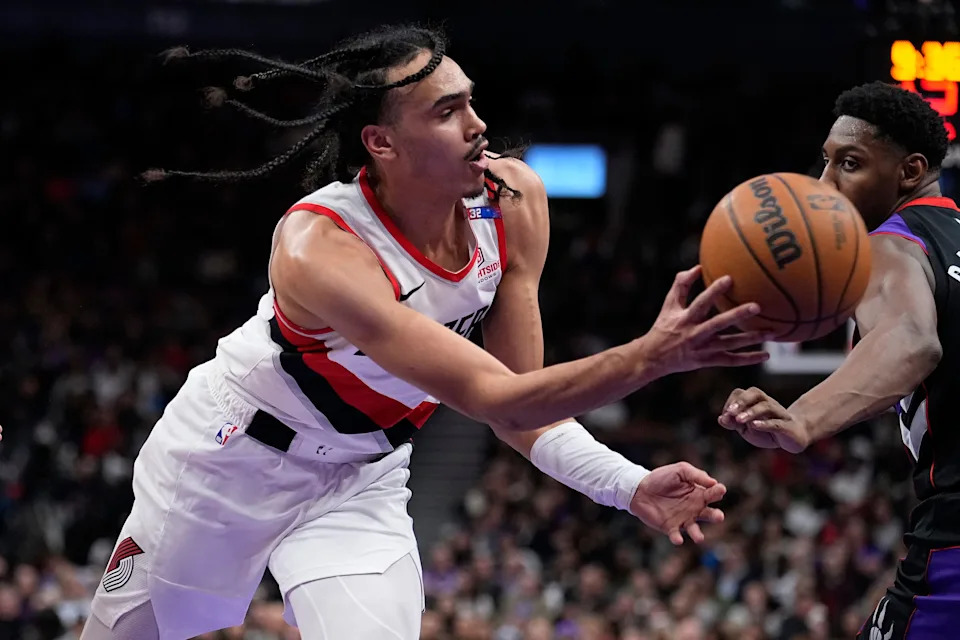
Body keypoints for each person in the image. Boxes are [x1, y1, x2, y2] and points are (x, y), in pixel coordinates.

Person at [82, 25, 770, 640]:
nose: (477, 124)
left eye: (470, 101)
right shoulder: (321, 246)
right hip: (227, 462)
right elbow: (496, 399)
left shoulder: (514, 202)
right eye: (447, 111)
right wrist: (652, 356)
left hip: (360, 474)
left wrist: (629, 484)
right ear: (381, 143)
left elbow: (522, 405)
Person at [718, 81, 959, 639]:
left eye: (849, 164)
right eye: (823, 162)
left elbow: (911, 340)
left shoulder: (890, 243)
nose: (824, 184)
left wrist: (803, 416)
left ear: (909, 170)